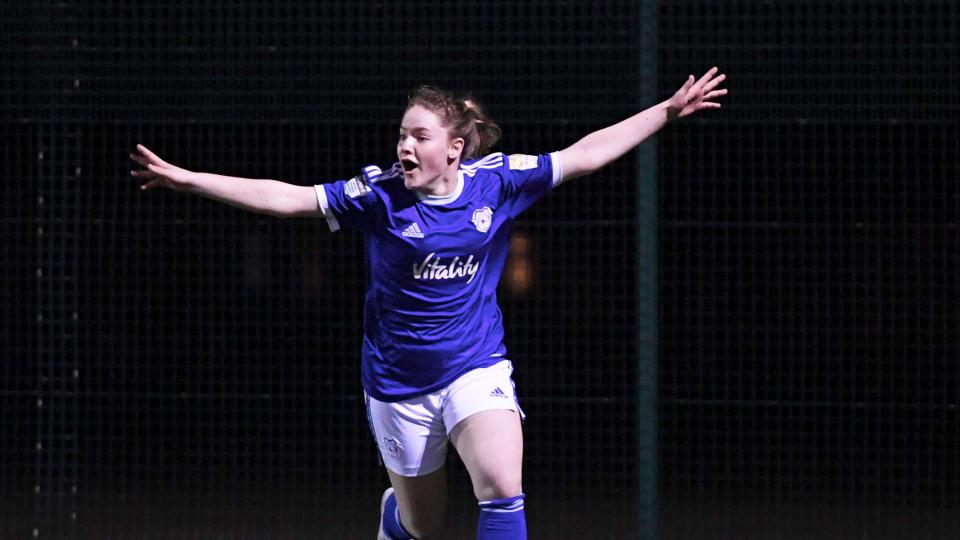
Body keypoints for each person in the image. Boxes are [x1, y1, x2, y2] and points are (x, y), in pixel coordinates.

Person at [131, 67, 726, 540]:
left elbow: (585, 154)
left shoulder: (499, 182)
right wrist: (191, 179)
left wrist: (667, 110)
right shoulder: (379, 195)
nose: (404, 146)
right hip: (398, 384)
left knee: (499, 483)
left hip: (475, 366)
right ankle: (398, 518)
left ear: (456, 148)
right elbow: (289, 199)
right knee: (424, 524)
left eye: (419, 136)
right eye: (401, 134)